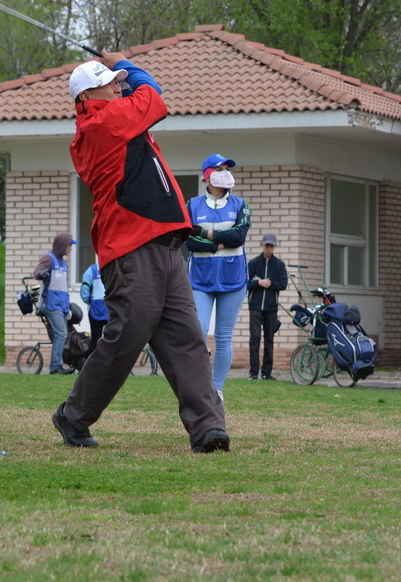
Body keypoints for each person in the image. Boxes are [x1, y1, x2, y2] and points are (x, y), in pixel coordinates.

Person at [51, 51, 230, 453]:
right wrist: (127, 62)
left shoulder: (120, 122)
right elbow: (154, 94)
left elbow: (143, 96)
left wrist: (120, 69)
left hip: (166, 247)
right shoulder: (99, 124)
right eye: (110, 82)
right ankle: (73, 415)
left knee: (187, 340)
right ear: (88, 97)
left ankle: (208, 429)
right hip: (131, 249)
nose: (119, 84)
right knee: (126, 338)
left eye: (119, 79)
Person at [186, 153, 251, 399]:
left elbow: (239, 237)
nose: (225, 171)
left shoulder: (241, 205)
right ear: (207, 175)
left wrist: (207, 235)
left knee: (224, 336)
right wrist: (217, 243)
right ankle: (200, 386)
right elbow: (189, 241)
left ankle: (218, 389)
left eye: (227, 168)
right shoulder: (192, 205)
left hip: (233, 279)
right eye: (220, 168)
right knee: (199, 333)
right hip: (200, 279)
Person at [33, 232, 77, 375]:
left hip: (61, 304)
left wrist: (67, 305)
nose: (70, 248)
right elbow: (37, 271)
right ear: (62, 245)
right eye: (69, 245)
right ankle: (55, 367)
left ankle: (58, 365)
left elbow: (63, 286)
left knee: (62, 335)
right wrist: (41, 274)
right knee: (61, 333)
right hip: (50, 304)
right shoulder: (49, 258)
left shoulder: (64, 263)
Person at [246, 233, 288, 380]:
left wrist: (268, 284)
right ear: (262, 245)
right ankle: (253, 372)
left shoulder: (279, 265)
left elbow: (283, 284)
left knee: (269, 339)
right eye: (267, 246)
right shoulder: (253, 263)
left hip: (271, 307)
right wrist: (258, 283)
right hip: (255, 306)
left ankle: (266, 373)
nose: (269, 249)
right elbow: (245, 282)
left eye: (271, 246)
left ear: (275, 247)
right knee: (255, 338)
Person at [80, 261, 108, 348]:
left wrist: (91, 301)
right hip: (111, 309)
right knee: (112, 340)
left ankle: (92, 361)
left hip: (95, 310)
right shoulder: (113, 267)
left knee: (95, 339)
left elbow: (85, 288)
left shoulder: (92, 269)